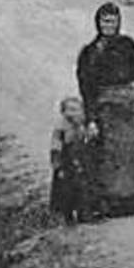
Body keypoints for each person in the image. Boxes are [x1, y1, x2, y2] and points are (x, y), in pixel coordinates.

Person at [76, 1, 134, 217]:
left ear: (119, 22)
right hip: (106, 109)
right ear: (97, 23)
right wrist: (91, 118)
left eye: (112, 21)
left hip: (130, 107)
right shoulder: (90, 52)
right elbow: (86, 87)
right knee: (110, 157)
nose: (108, 25)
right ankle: (112, 203)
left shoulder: (128, 45)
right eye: (104, 21)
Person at [48, 96, 91, 224]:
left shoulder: (81, 126)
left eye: (76, 110)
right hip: (66, 163)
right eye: (70, 110)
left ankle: (84, 214)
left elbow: (86, 141)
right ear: (63, 112)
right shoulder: (61, 129)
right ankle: (67, 216)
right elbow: (56, 148)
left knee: (82, 189)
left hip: (79, 161)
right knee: (65, 191)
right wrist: (57, 165)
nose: (73, 114)